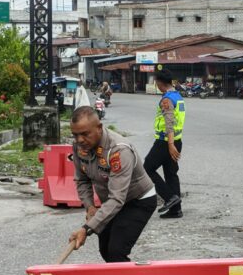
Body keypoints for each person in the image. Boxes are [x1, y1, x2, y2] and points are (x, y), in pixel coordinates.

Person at [68, 106, 157, 262]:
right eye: (75, 135)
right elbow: (82, 180)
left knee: (116, 252)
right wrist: (89, 207)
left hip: (138, 200)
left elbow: (117, 198)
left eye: (85, 134)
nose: (80, 140)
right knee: (105, 250)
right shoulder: (79, 147)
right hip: (111, 202)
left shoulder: (119, 150)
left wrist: (86, 229)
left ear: (99, 128)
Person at [144, 69, 186, 219]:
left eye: (156, 82)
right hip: (177, 140)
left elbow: (169, 122)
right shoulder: (177, 96)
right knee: (171, 174)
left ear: (160, 83)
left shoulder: (167, 99)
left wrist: (170, 144)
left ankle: (169, 198)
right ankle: (176, 210)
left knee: (147, 169)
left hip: (165, 142)